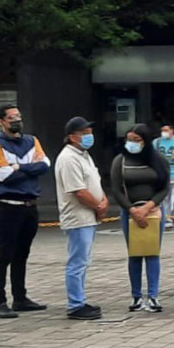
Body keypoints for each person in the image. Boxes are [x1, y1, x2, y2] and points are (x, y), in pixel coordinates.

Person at [0, 104, 50, 319]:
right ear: (1, 122)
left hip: (30, 205)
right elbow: (3, 175)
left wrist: (19, 167)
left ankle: (20, 298)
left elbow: (45, 165)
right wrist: (29, 168)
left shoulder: (32, 141)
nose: (17, 120)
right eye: (11, 117)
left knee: (22, 254)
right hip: (9, 206)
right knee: (4, 254)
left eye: (18, 116)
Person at [110, 125, 171, 313]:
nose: (132, 143)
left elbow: (165, 187)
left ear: (145, 141)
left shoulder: (158, 160)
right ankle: (136, 296)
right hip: (130, 213)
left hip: (153, 212)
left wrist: (147, 207)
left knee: (152, 253)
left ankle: (153, 296)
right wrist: (132, 210)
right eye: (129, 139)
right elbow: (116, 190)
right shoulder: (120, 161)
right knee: (135, 253)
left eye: (136, 140)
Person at [55, 117, 107, 321]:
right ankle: (75, 304)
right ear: (72, 137)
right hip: (78, 216)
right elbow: (78, 191)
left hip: (89, 216)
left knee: (84, 260)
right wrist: (98, 206)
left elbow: (94, 182)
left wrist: (103, 200)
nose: (88, 137)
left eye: (89, 133)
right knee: (77, 261)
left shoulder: (84, 155)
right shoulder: (69, 158)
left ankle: (80, 299)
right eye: (84, 133)